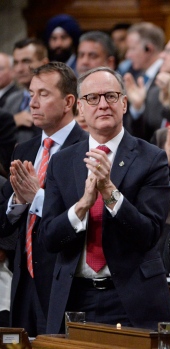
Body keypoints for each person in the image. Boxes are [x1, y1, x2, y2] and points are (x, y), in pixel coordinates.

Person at [40, 67, 170, 334]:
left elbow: (149, 234)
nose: (102, 104)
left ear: (124, 103)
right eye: (92, 98)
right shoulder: (62, 162)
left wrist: (110, 192)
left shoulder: (152, 159)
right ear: (79, 107)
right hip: (74, 297)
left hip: (131, 298)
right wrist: (82, 206)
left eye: (111, 96)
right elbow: (49, 238)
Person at [0, 62, 87, 336]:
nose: (33, 103)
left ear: (68, 101)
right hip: (23, 281)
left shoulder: (87, 150)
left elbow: (79, 215)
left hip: (64, 281)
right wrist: (17, 200)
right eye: (31, 93)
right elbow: (4, 224)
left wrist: (38, 197)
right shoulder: (23, 149)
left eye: (44, 94)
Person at [123, 22, 166, 141]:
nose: (128, 55)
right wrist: (137, 109)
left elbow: (156, 124)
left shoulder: (166, 77)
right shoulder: (138, 77)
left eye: (132, 49)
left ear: (149, 49)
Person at [8, 39, 49, 144]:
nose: (19, 69)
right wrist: (12, 121)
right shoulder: (11, 100)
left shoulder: (55, 99)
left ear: (44, 63)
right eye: (16, 62)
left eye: (26, 61)